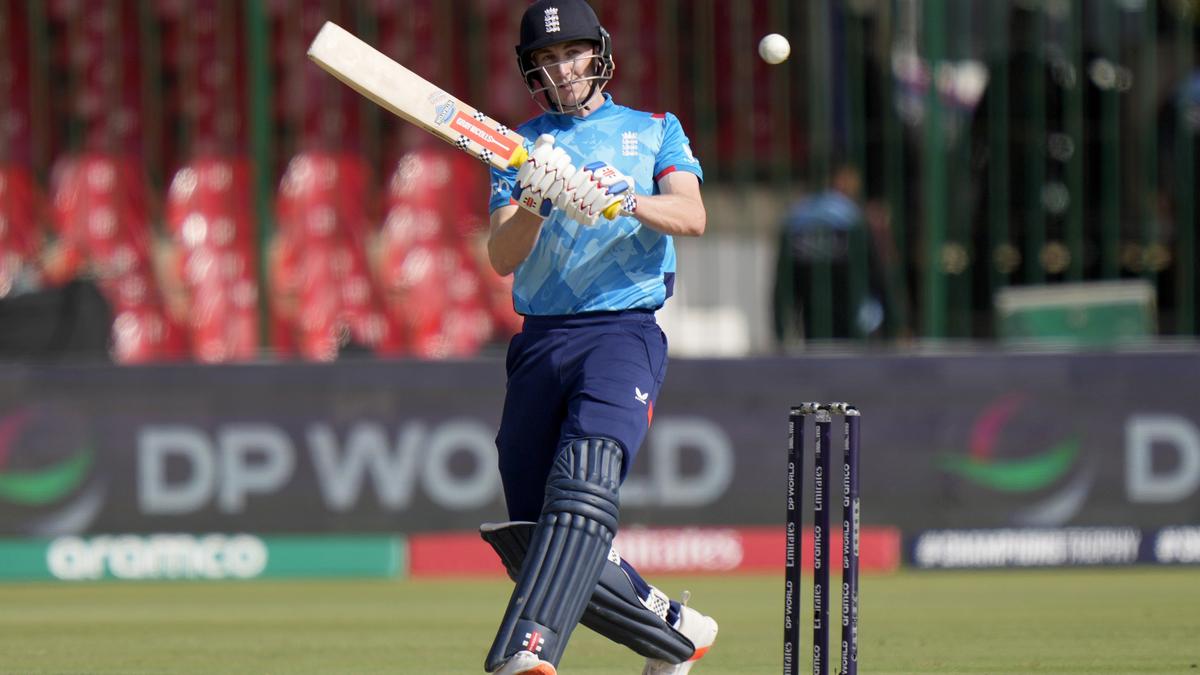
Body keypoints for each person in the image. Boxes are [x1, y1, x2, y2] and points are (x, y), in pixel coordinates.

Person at [479, 1, 716, 673]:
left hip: (621, 331)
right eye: (547, 59)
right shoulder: (518, 146)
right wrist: (535, 201)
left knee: (584, 487)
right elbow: (501, 256)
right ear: (532, 70)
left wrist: (627, 199)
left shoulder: (654, 129)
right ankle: (678, 632)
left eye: (573, 53)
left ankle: (529, 651)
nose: (562, 69)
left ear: (599, 54)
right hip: (540, 339)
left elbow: (692, 215)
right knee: (535, 539)